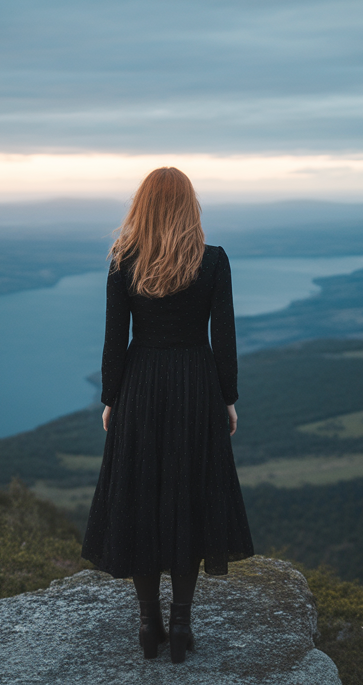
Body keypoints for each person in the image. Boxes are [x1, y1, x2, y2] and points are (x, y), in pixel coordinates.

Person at [81, 167, 255, 664]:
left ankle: (147, 622)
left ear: (143, 207)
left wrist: (111, 399)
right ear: (189, 207)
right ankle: (181, 624)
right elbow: (224, 338)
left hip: (141, 387)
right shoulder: (214, 261)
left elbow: (115, 340)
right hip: (197, 387)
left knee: (140, 496)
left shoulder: (123, 261)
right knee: (188, 498)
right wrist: (228, 398)